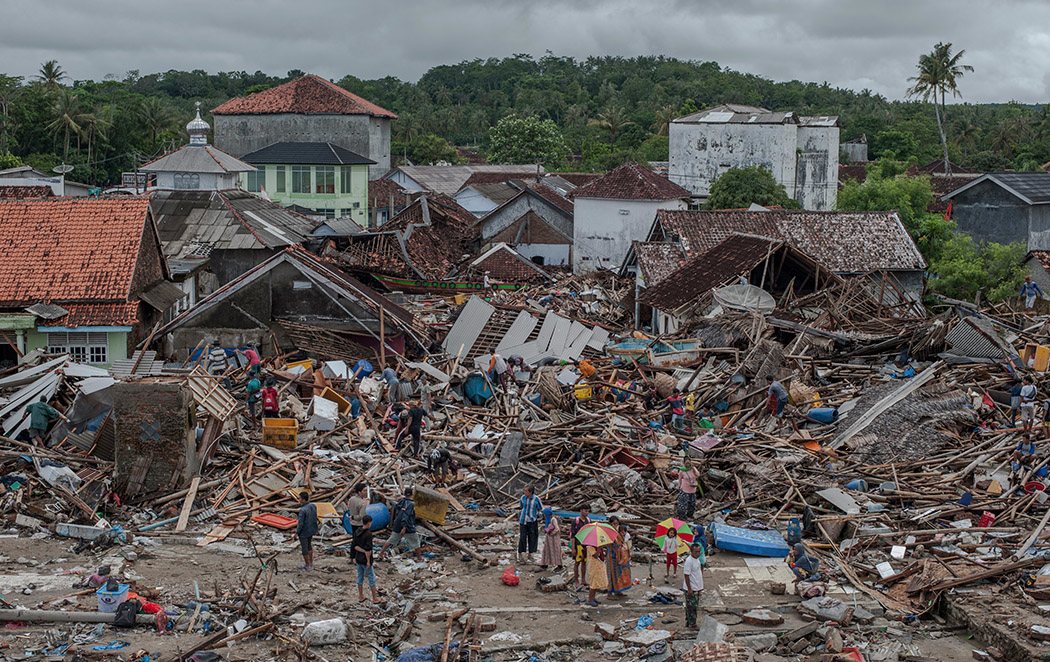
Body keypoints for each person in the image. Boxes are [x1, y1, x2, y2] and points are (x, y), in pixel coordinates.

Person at [380, 488, 421, 557]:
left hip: (397, 525)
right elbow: (406, 515)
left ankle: (381, 553)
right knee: (416, 541)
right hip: (407, 526)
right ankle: (420, 557)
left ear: (404, 494)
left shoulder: (401, 501)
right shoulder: (410, 504)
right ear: (412, 494)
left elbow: (396, 506)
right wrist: (404, 527)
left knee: (391, 540)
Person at [353, 514, 380, 603]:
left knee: (360, 577)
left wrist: (361, 551)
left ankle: (361, 596)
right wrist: (368, 561)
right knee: (371, 578)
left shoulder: (357, 531)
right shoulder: (368, 534)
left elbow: (355, 546)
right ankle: (375, 598)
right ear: (369, 523)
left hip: (358, 558)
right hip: (365, 560)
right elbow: (368, 550)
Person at [605, 516, 632, 597]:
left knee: (619, 574)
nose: (615, 525)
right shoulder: (608, 533)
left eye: (617, 524)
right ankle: (609, 593)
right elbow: (609, 545)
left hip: (619, 556)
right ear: (610, 524)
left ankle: (618, 591)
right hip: (611, 556)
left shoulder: (618, 532)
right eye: (614, 524)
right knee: (611, 574)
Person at [682, 542, 705, 629]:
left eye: (699, 551)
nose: (698, 553)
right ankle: (692, 624)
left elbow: (697, 573)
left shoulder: (697, 560)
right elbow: (686, 575)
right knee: (692, 608)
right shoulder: (689, 561)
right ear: (691, 551)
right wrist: (689, 589)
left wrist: (700, 588)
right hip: (691, 588)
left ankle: (689, 622)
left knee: (693, 607)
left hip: (696, 587)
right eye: (696, 552)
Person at [518, 485, 543, 564]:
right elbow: (521, 506)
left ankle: (530, 554)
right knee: (522, 537)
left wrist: (535, 515)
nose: (524, 492)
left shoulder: (536, 499)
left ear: (530, 492)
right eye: (524, 491)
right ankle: (522, 554)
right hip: (523, 520)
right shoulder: (523, 498)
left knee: (532, 537)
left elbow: (540, 508)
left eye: (526, 491)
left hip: (532, 521)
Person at [296, 491, 319, 571]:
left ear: (303, 500)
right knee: (309, 546)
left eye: (299, 498)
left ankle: (307, 565)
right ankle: (311, 563)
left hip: (304, 531)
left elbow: (300, 523)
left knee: (304, 549)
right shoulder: (313, 506)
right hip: (311, 529)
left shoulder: (302, 510)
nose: (298, 500)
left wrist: (297, 532)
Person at [570, 504, 591, 586]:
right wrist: (573, 548)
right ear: (581, 510)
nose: (587, 513)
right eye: (586, 511)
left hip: (586, 544)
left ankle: (583, 579)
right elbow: (572, 535)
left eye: (588, 511)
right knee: (577, 562)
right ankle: (576, 580)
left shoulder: (588, 520)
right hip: (578, 544)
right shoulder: (576, 521)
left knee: (584, 562)